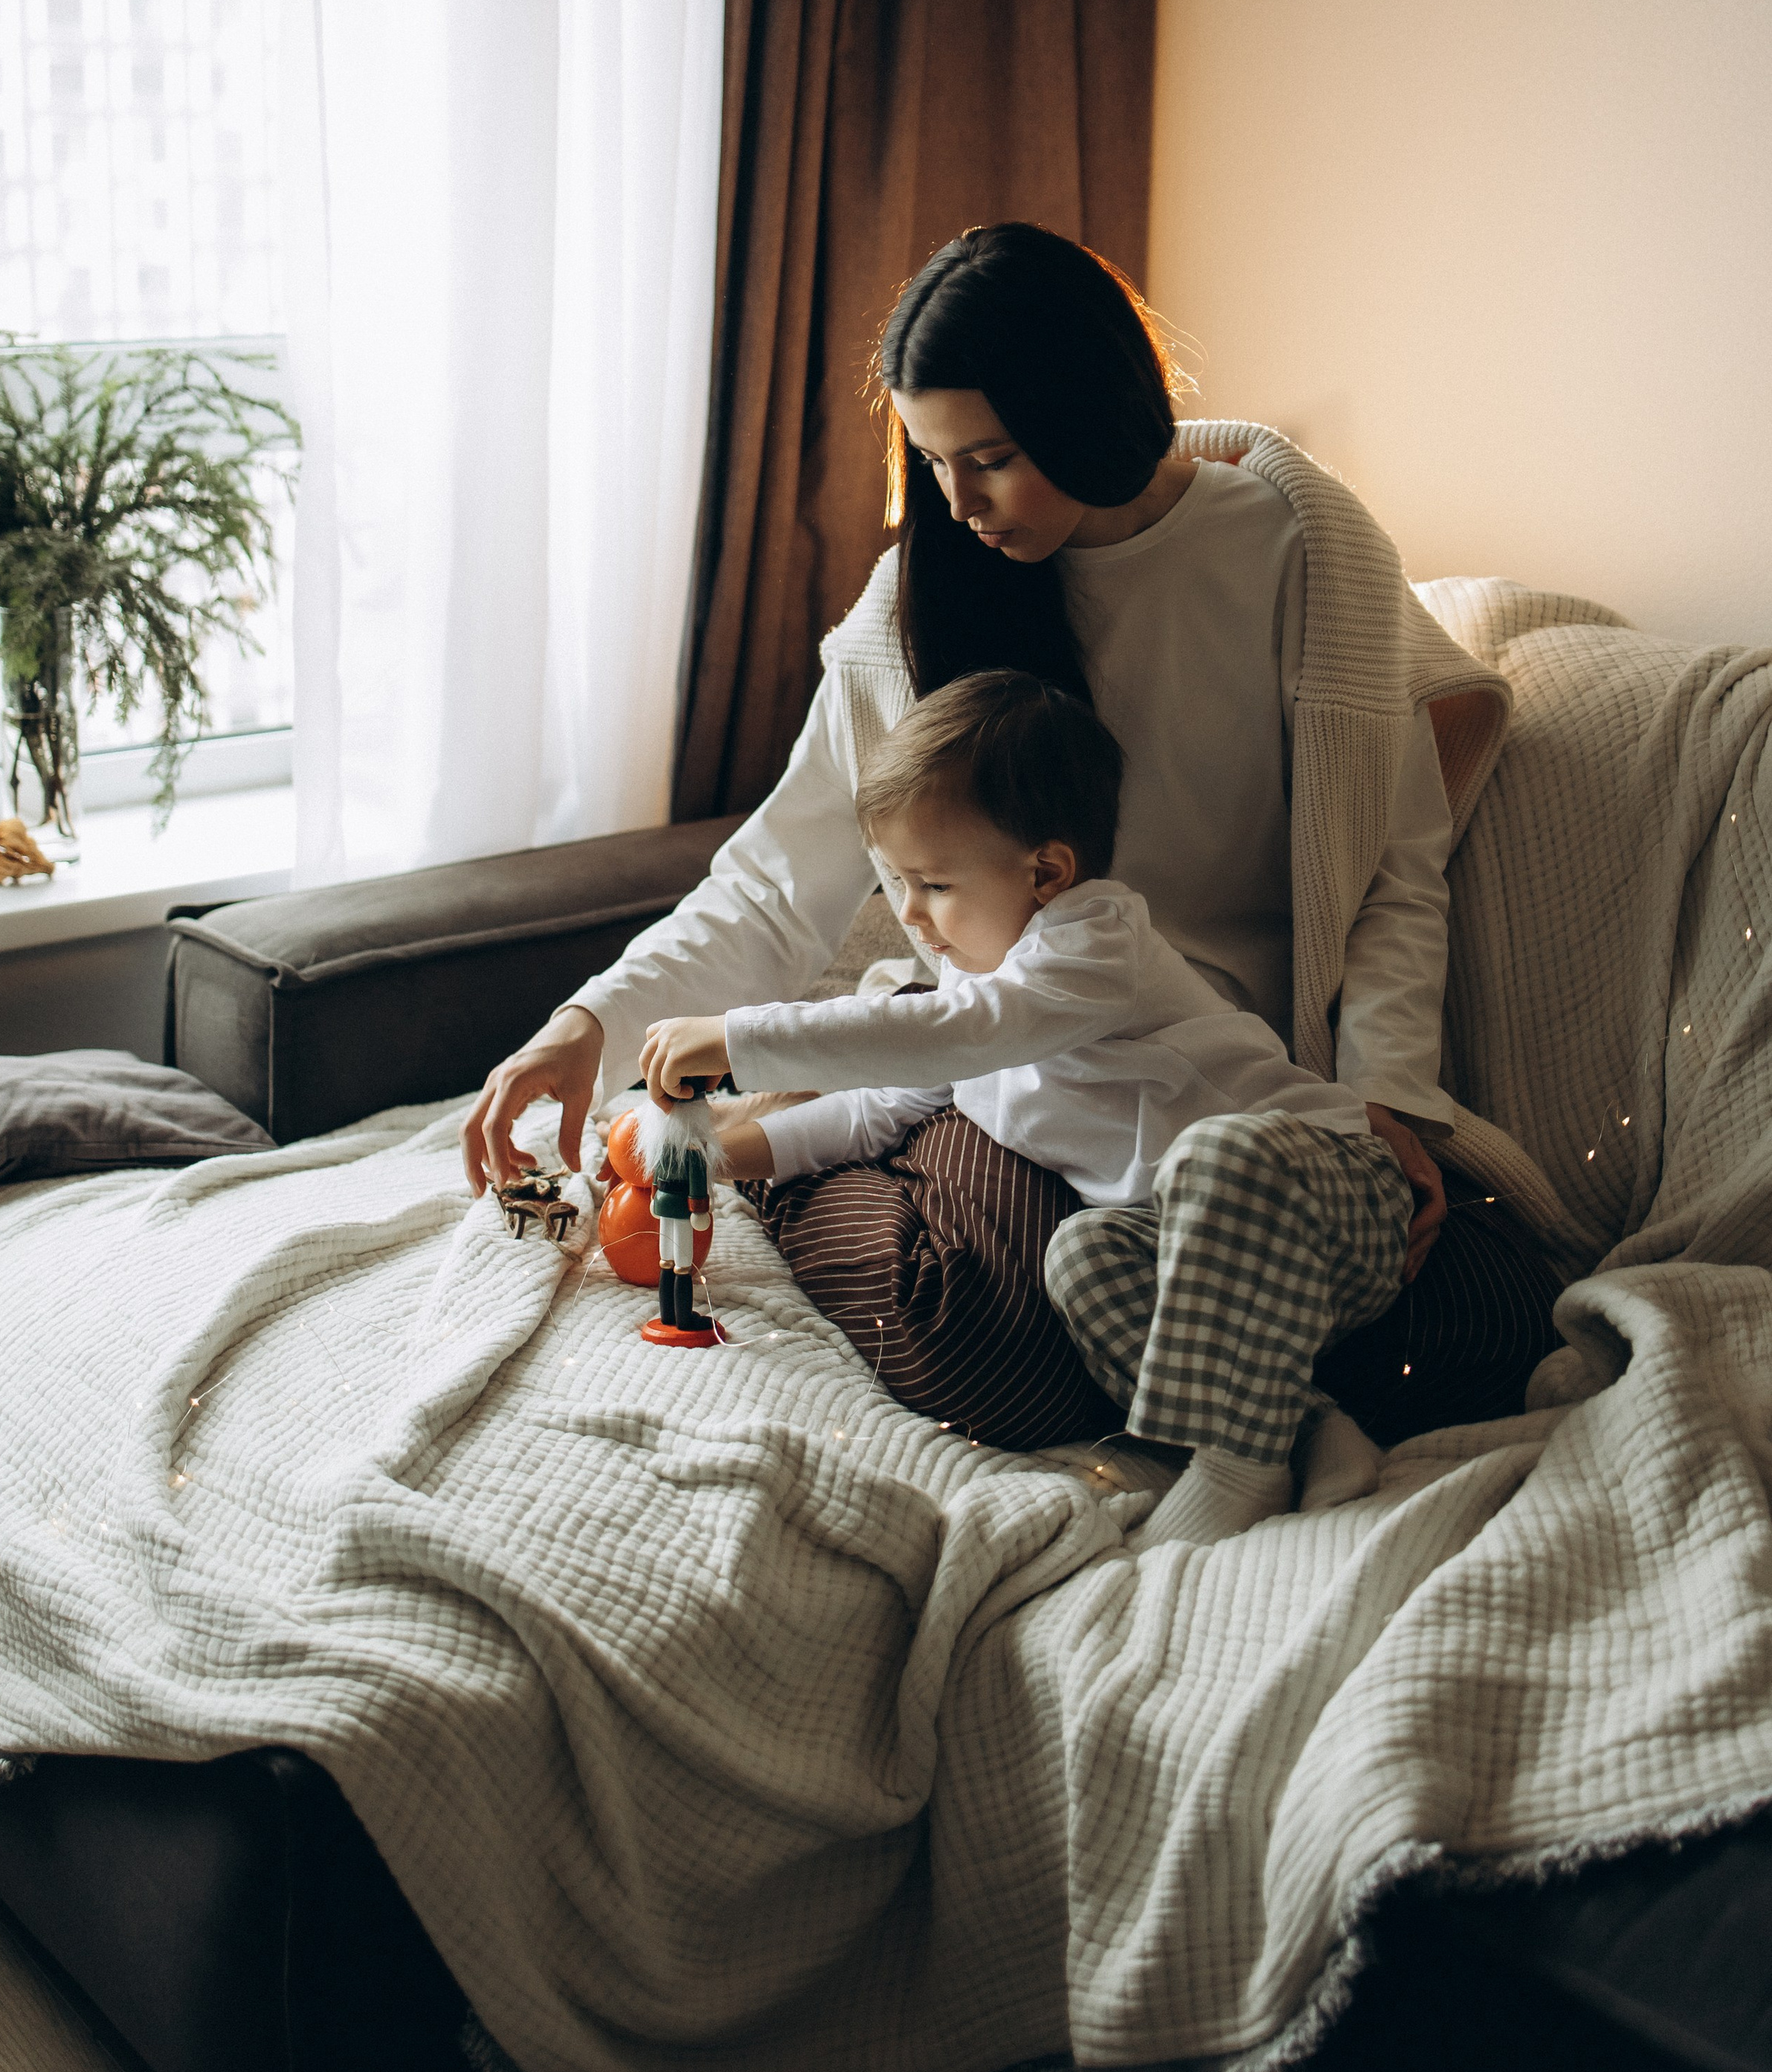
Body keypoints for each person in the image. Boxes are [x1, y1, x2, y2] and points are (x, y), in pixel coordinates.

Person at [463, 224, 1551, 1451]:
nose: (957, 505)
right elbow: (778, 885)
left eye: (990, 459)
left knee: (1488, 1326)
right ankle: (789, 1158)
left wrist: (1385, 1101)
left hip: (1239, 1101)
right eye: (932, 462)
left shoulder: (1301, 560)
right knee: (995, 1346)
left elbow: (1397, 867)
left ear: (1092, 410)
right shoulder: (918, 612)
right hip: (1014, 1076)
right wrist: (585, 1026)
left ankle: (823, 1146)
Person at [639, 670, 1411, 1543]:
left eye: (932, 883)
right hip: (1198, 1256)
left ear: (1046, 872)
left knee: (1217, 1154)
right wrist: (714, 1154)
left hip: (1325, 1192)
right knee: (1080, 1254)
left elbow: (961, 1033)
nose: (909, 914)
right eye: (892, 881)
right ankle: (1305, 1426)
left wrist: (738, 1038)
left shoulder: (1092, 945)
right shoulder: (973, 986)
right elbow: (879, 1110)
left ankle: (1238, 1466)